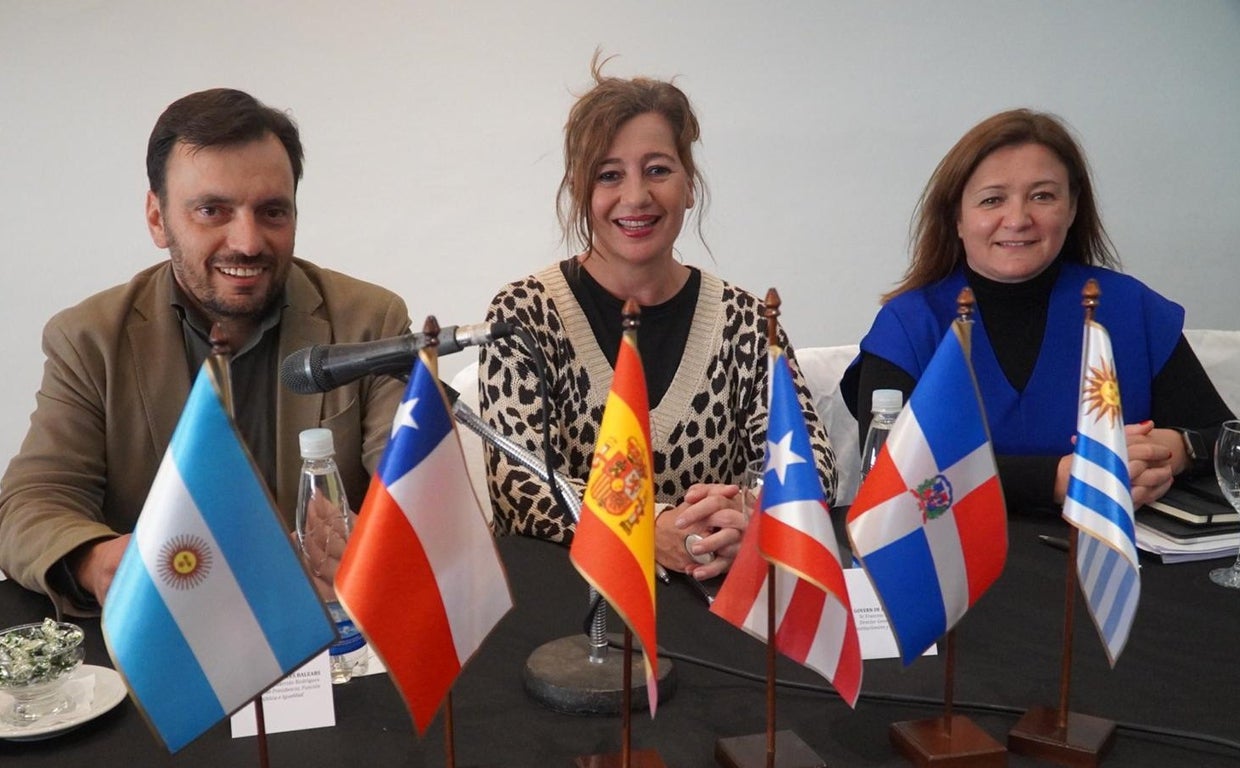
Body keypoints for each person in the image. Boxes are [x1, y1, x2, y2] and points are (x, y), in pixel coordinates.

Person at [0, 88, 411, 616]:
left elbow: (412, 493)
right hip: (172, 636)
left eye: (272, 212)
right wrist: (99, 562)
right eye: (212, 211)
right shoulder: (89, 340)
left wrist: (375, 543)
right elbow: (31, 503)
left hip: (332, 630)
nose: (247, 242)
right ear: (157, 218)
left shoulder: (369, 321)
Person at [478, 56, 836, 579]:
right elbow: (519, 487)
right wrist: (644, 527)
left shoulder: (747, 321)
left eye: (658, 170)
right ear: (580, 191)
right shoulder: (522, 314)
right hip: (566, 602)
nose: (636, 196)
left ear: (689, 185)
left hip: (711, 592)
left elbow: (814, 465)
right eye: (609, 175)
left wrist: (748, 513)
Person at [842, 108, 1234, 513]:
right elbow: (892, 472)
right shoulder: (908, 324)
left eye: (1043, 196)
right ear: (957, 217)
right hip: (957, 550)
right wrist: (1057, 480)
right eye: (992, 200)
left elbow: (1227, 440)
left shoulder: (1130, 308)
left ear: (1073, 207)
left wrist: (1175, 449)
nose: (1018, 219)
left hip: (1121, 545)